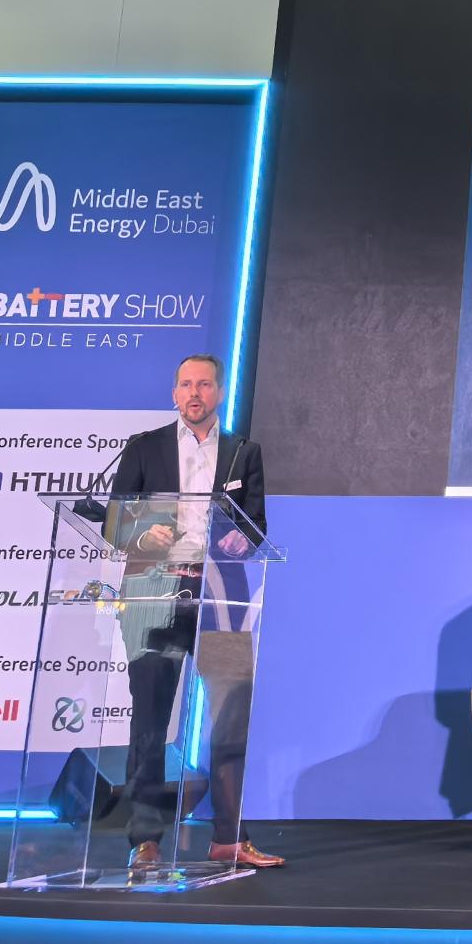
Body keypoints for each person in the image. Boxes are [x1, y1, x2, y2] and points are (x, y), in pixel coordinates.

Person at [107, 353, 282, 871]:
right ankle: (145, 840)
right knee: (150, 720)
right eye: (185, 384)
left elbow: (256, 525)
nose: (194, 393)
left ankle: (229, 838)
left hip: (221, 594)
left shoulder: (243, 453)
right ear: (174, 393)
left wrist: (241, 538)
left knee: (230, 718)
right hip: (154, 591)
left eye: (204, 384)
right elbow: (114, 522)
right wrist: (143, 535)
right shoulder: (144, 447)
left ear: (219, 393)